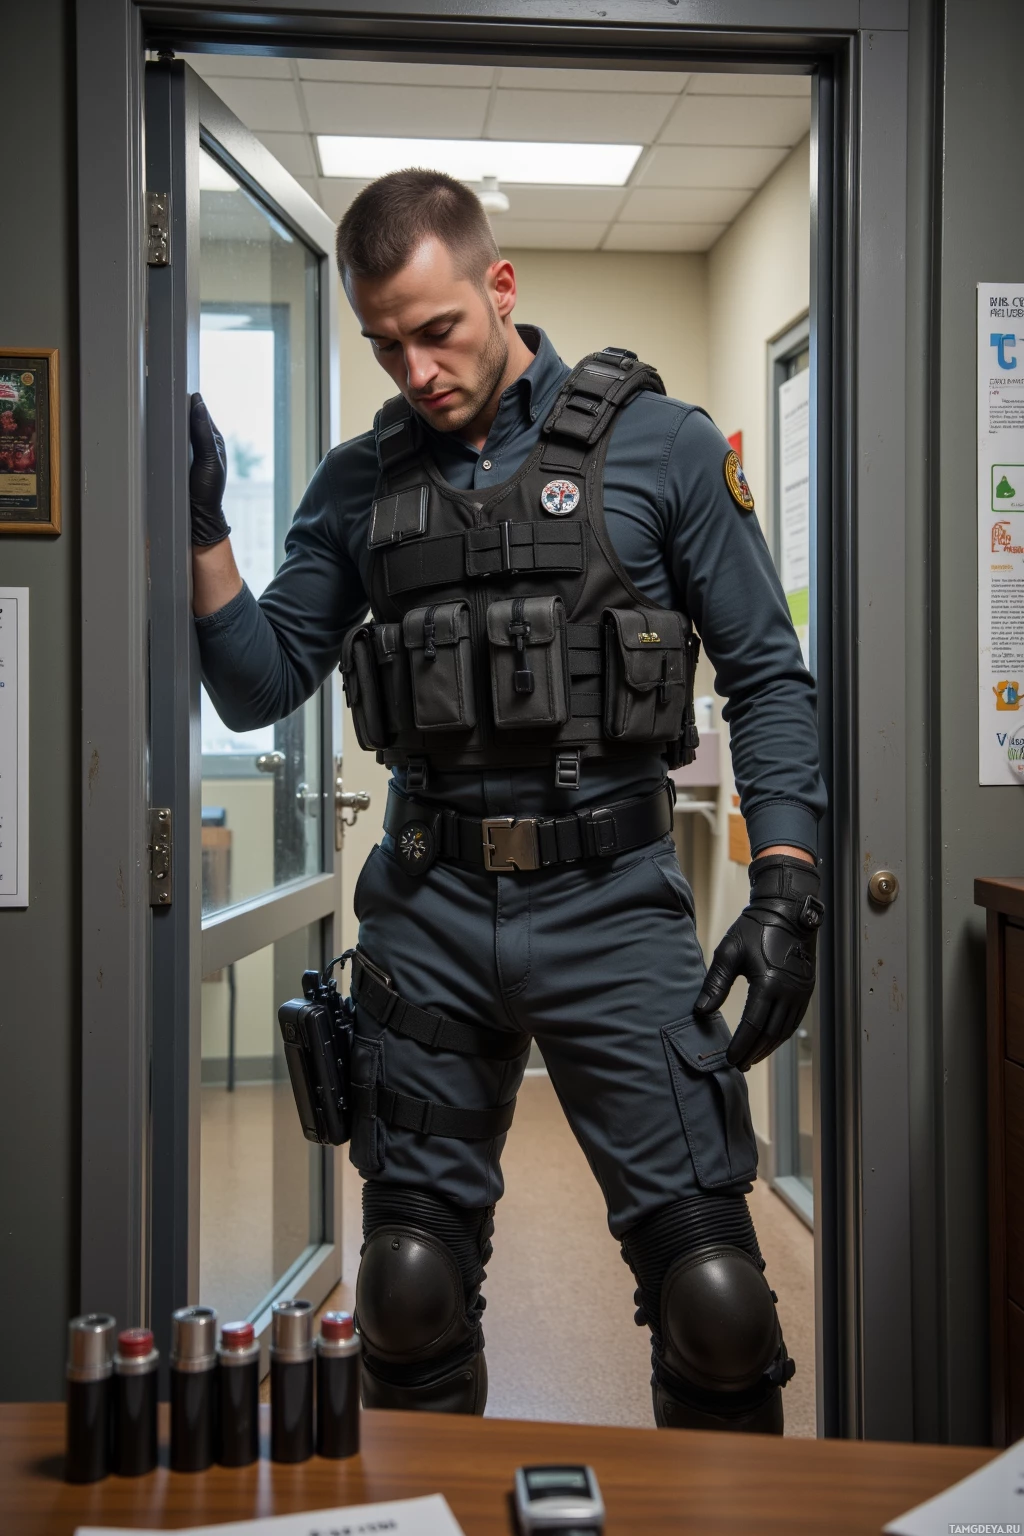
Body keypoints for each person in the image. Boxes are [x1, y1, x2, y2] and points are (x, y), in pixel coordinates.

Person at [190, 169, 826, 1433]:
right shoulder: (357, 482)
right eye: (386, 344)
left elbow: (766, 672)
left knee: (716, 1302)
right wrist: (203, 528)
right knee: (407, 1291)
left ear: (500, 286)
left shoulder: (666, 446)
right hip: (429, 912)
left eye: (438, 331)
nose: (416, 369)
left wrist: (788, 881)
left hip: (613, 911)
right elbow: (258, 685)